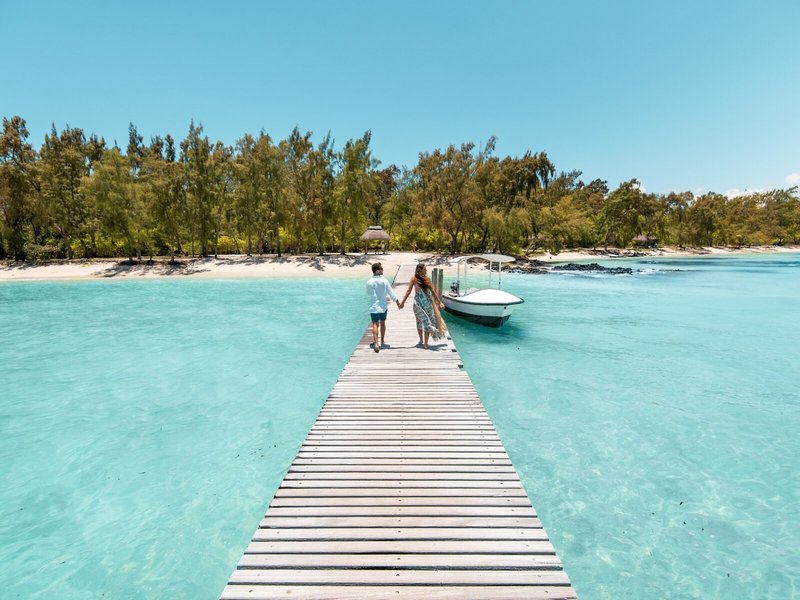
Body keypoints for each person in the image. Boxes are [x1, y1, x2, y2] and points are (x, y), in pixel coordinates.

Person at [399, 263, 447, 348]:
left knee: (426, 321)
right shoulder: (414, 279)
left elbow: (433, 291)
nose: (426, 271)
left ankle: (425, 343)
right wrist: (402, 302)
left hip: (428, 304)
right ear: (420, 270)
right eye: (425, 269)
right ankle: (421, 340)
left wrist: (440, 302)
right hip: (418, 304)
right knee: (419, 322)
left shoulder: (427, 279)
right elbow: (408, 291)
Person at [366, 262, 401, 353]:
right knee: (382, 323)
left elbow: (368, 293)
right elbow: (391, 292)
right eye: (381, 269)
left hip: (374, 307)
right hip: (383, 307)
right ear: (377, 270)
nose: (382, 270)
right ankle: (382, 341)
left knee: (375, 324)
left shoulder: (369, 282)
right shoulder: (384, 281)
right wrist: (397, 302)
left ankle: (376, 344)